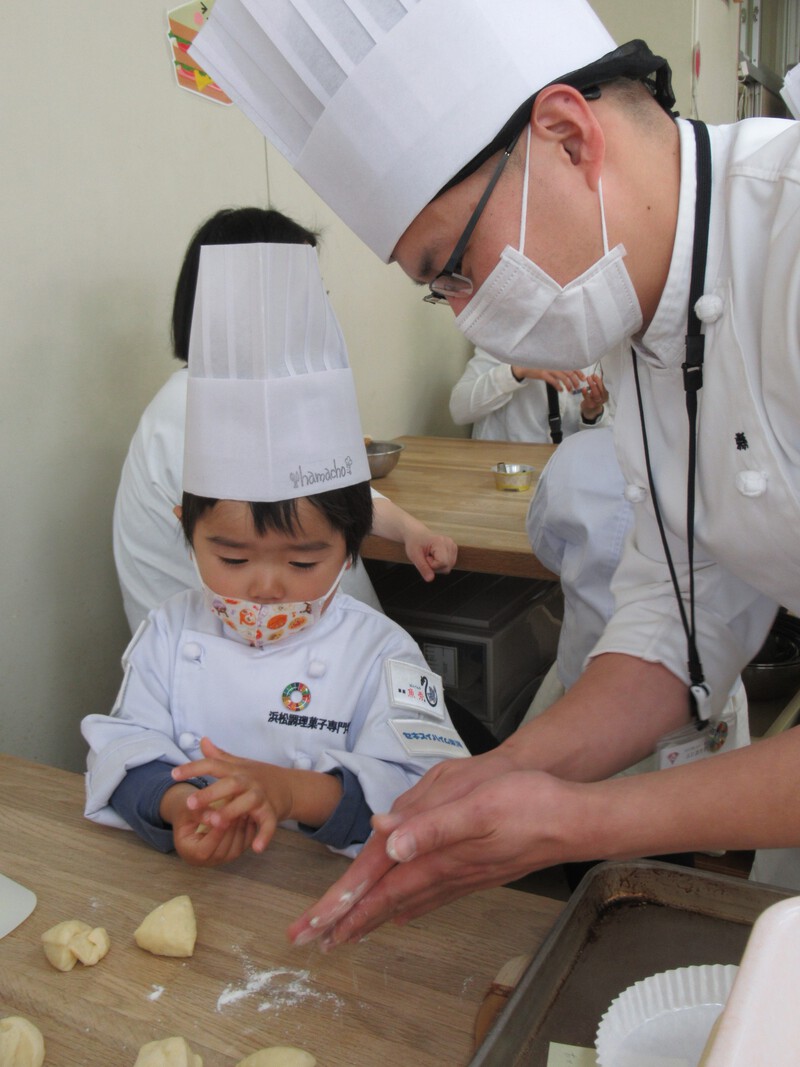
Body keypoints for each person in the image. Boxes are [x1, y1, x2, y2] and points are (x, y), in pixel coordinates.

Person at [188, 0, 800, 938]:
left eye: (456, 267)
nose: (468, 316)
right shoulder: (640, 322)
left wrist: (579, 821)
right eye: (443, 293)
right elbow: (676, 614)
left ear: (565, 134)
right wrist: (507, 770)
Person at [83, 242, 468, 867]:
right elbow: (122, 752)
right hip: (202, 888)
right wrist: (180, 808)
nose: (265, 587)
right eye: (231, 560)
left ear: (351, 546)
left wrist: (289, 793)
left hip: (331, 905)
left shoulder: (383, 652)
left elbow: (425, 791)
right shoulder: (168, 631)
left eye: (302, 563)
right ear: (186, 529)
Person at [114, 207, 457, 633]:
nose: (320, 312)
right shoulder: (201, 409)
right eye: (308, 295)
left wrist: (409, 530)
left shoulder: (252, 396)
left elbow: (326, 483)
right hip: (220, 652)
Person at [449, 347, 610, 442]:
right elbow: (459, 411)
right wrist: (517, 371)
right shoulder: (500, 339)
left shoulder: (596, 350)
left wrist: (593, 414)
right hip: (501, 473)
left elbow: (611, 440)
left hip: (563, 472)